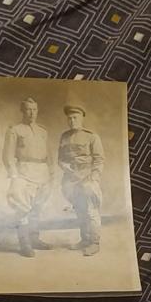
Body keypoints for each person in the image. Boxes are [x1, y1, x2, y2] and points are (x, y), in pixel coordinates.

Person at [2, 97, 55, 258]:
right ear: (22, 111)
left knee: (37, 208)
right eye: (28, 109)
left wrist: (51, 172)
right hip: (24, 172)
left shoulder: (42, 131)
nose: (32, 113)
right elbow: (7, 155)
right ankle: (24, 243)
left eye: (34, 109)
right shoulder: (15, 130)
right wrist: (14, 175)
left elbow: (49, 154)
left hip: (42, 171)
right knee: (23, 208)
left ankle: (35, 239)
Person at [58, 105, 105, 256]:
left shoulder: (92, 136)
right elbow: (60, 159)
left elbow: (99, 159)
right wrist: (64, 166)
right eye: (69, 118)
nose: (72, 121)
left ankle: (94, 243)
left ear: (82, 118)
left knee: (91, 210)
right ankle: (84, 240)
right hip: (71, 178)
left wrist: (94, 177)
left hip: (87, 176)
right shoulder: (64, 137)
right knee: (80, 210)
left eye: (75, 118)